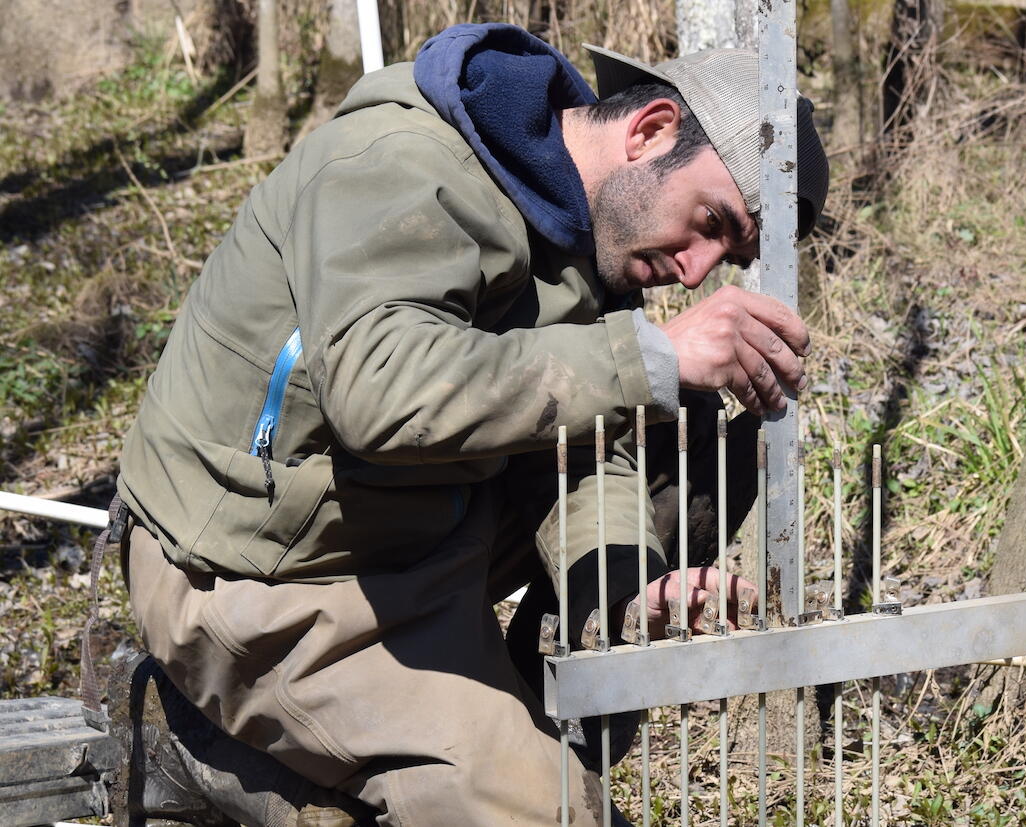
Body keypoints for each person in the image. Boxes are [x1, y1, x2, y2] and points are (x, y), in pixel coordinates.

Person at [116, 21, 828, 826]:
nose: (696, 270)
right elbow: (378, 392)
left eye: (725, 259)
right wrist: (647, 356)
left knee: (683, 416)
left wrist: (626, 591)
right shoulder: (399, 164)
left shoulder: (590, 237)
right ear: (651, 129)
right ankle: (209, 745)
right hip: (266, 578)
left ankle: (521, 716)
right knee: (543, 811)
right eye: (710, 222)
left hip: (416, 538)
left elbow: (598, 452)